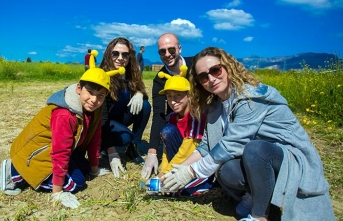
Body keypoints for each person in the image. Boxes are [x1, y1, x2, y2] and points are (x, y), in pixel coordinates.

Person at [161, 47, 335, 220]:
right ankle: (259, 197)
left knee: (255, 149)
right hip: (258, 164)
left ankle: (259, 215)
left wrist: (191, 172)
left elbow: (233, 144)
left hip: (288, 159)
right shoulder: (215, 107)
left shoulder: (251, 96)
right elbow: (207, 146)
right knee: (226, 170)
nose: (211, 79)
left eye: (215, 70)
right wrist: (177, 172)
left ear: (228, 67)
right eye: (203, 77)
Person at [0, 51, 120, 209]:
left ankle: (30, 172)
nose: (94, 100)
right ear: (79, 88)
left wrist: (94, 169)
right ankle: (13, 171)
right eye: (90, 92)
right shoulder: (65, 115)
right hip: (37, 153)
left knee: (84, 171)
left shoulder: (95, 109)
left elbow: (94, 138)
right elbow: (60, 151)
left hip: (61, 150)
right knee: (76, 183)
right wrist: (57, 192)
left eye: (101, 95)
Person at [141, 33, 193, 180]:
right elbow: (159, 114)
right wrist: (152, 153)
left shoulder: (196, 65)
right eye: (162, 51)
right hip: (178, 123)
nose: (167, 54)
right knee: (168, 131)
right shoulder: (160, 79)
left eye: (171, 50)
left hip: (201, 122)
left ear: (180, 48)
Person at [99, 37, 151, 178]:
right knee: (126, 136)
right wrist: (112, 153)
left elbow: (142, 93)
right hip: (104, 123)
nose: (120, 58)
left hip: (120, 118)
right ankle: (103, 146)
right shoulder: (102, 76)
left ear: (130, 57)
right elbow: (101, 119)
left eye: (125, 54)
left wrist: (140, 94)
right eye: (115, 53)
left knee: (145, 106)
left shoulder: (131, 74)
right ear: (108, 54)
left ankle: (133, 148)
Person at [156, 72, 215, 196]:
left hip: (197, 162)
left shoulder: (196, 116)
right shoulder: (172, 117)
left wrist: (165, 175)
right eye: (169, 96)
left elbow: (187, 150)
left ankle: (205, 184)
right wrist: (163, 172)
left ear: (189, 96)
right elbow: (166, 150)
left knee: (179, 191)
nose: (173, 101)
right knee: (167, 131)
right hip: (180, 162)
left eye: (178, 95)